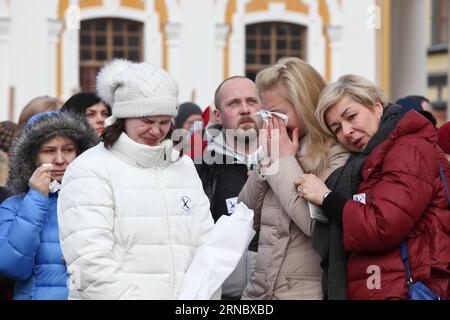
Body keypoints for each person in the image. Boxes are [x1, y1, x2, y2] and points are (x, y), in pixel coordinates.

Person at [57, 59, 214, 300]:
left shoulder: (182, 167)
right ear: (124, 118)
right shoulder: (90, 169)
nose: (156, 130)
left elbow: (206, 245)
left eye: (164, 122)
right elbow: (90, 260)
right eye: (147, 121)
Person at [295, 74, 450, 299]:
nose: (346, 131)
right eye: (337, 128)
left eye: (352, 116)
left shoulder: (408, 148)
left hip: (406, 289)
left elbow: (381, 226)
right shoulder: (371, 157)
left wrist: (327, 198)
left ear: (377, 106)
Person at [238, 57, 349, 300]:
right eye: (266, 114)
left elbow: (316, 226)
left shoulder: (337, 155)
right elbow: (243, 216)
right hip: (259, 292)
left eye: (278, 114)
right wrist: (267, 163)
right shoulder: (277, 147)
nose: (270, 123)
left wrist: (284, 162)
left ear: (305, 106)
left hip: (304, 292)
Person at [0, 111, 98, 300]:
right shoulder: (13, 206)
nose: (60, 160)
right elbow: (10, 266)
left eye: (68, 150)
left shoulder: (98, 199)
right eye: (49, 151)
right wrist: (36, 199)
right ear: (32, 158)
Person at [196, 76, 263, 299]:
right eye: (234, 103)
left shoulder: (286, 159)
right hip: (220, 294)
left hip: (274, 293)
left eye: (252, 101)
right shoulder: (201, 168)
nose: (245, 109)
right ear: (217, 115)